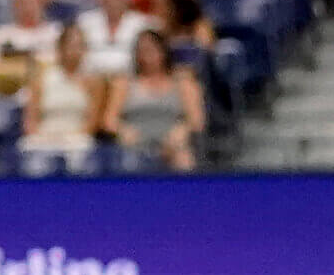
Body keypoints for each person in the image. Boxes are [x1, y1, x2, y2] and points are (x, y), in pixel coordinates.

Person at [103, 28, 204, 171]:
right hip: (134, 144)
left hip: (173, 144)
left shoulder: (183, 82)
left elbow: (196, 121)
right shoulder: (124, 83)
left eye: (151, 50)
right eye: (142, 51)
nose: (146, 56)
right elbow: (109, 121)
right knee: (127, 161)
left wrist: (182, 131)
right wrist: (123, 130)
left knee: (184, 159)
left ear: (163, 51)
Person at [18, 23, 102, 175]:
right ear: (60, 48)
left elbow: (92, 122)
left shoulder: (93, 81)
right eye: (71, 45)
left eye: (80, 46)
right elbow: (30, 120)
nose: (75, 50)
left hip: (77, 139)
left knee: (83, 150)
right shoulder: (41, 78)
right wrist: (44, 137)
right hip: (44, 137)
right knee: (28, 149)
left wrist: (70, 138)